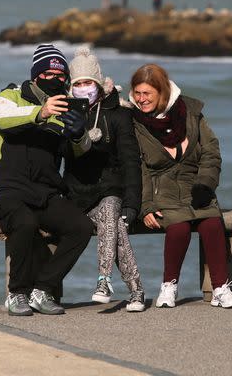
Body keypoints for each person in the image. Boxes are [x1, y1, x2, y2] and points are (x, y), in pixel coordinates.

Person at [0, 43, 95, 316]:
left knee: (81, 227)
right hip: (3, 189)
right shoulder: (12, 95)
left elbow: (80, 150)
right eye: (48, 74)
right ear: (35, 75)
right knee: (25, 223)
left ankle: (42, 289)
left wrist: (79, 132)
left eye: (60, 76)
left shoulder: (64, 106)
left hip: (45, 191)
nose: (55, 80)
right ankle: (16, 293)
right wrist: (40, 113)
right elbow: (1, 116)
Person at [128, 63, 232, 309]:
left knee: (212, 224)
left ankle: (221, 289)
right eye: (137, 93)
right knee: (178, 228)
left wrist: (205, 185)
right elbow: (138, 169)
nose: (141, 99)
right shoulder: (134, 123)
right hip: (163, 192)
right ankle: (169, 286)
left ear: (162, 92)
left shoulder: (191, 112)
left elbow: (211, 153)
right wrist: (146, 206)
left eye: (147, 93)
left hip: (196, 187)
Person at [63, 46, 146, 312]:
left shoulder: (119, 114)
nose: (84, 88)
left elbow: (131, 161)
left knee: (112, 208)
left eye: (88, 82)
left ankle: (104, 280)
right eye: (78, 83)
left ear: (99, 84)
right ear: (71, 87)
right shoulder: (65, 115)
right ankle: (136, 291)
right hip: (77, 195)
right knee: (116, 228)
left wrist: (132, 204)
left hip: (110, 191)